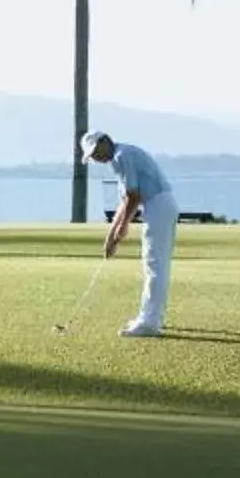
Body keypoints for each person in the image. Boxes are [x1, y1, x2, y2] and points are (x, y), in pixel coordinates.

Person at [85, 130, 175, 337]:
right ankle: (153, 316)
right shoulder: (121, 156)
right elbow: (125, 201)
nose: (96, 158)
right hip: (160, 204)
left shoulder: (120, 157)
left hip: (157, 204)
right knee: (156, 264)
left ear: (105, 141)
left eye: (96, 151)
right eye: (92, 155)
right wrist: (110, 237)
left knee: (154, 264)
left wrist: (123, 227)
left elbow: (134, 197)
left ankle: (149, 322)